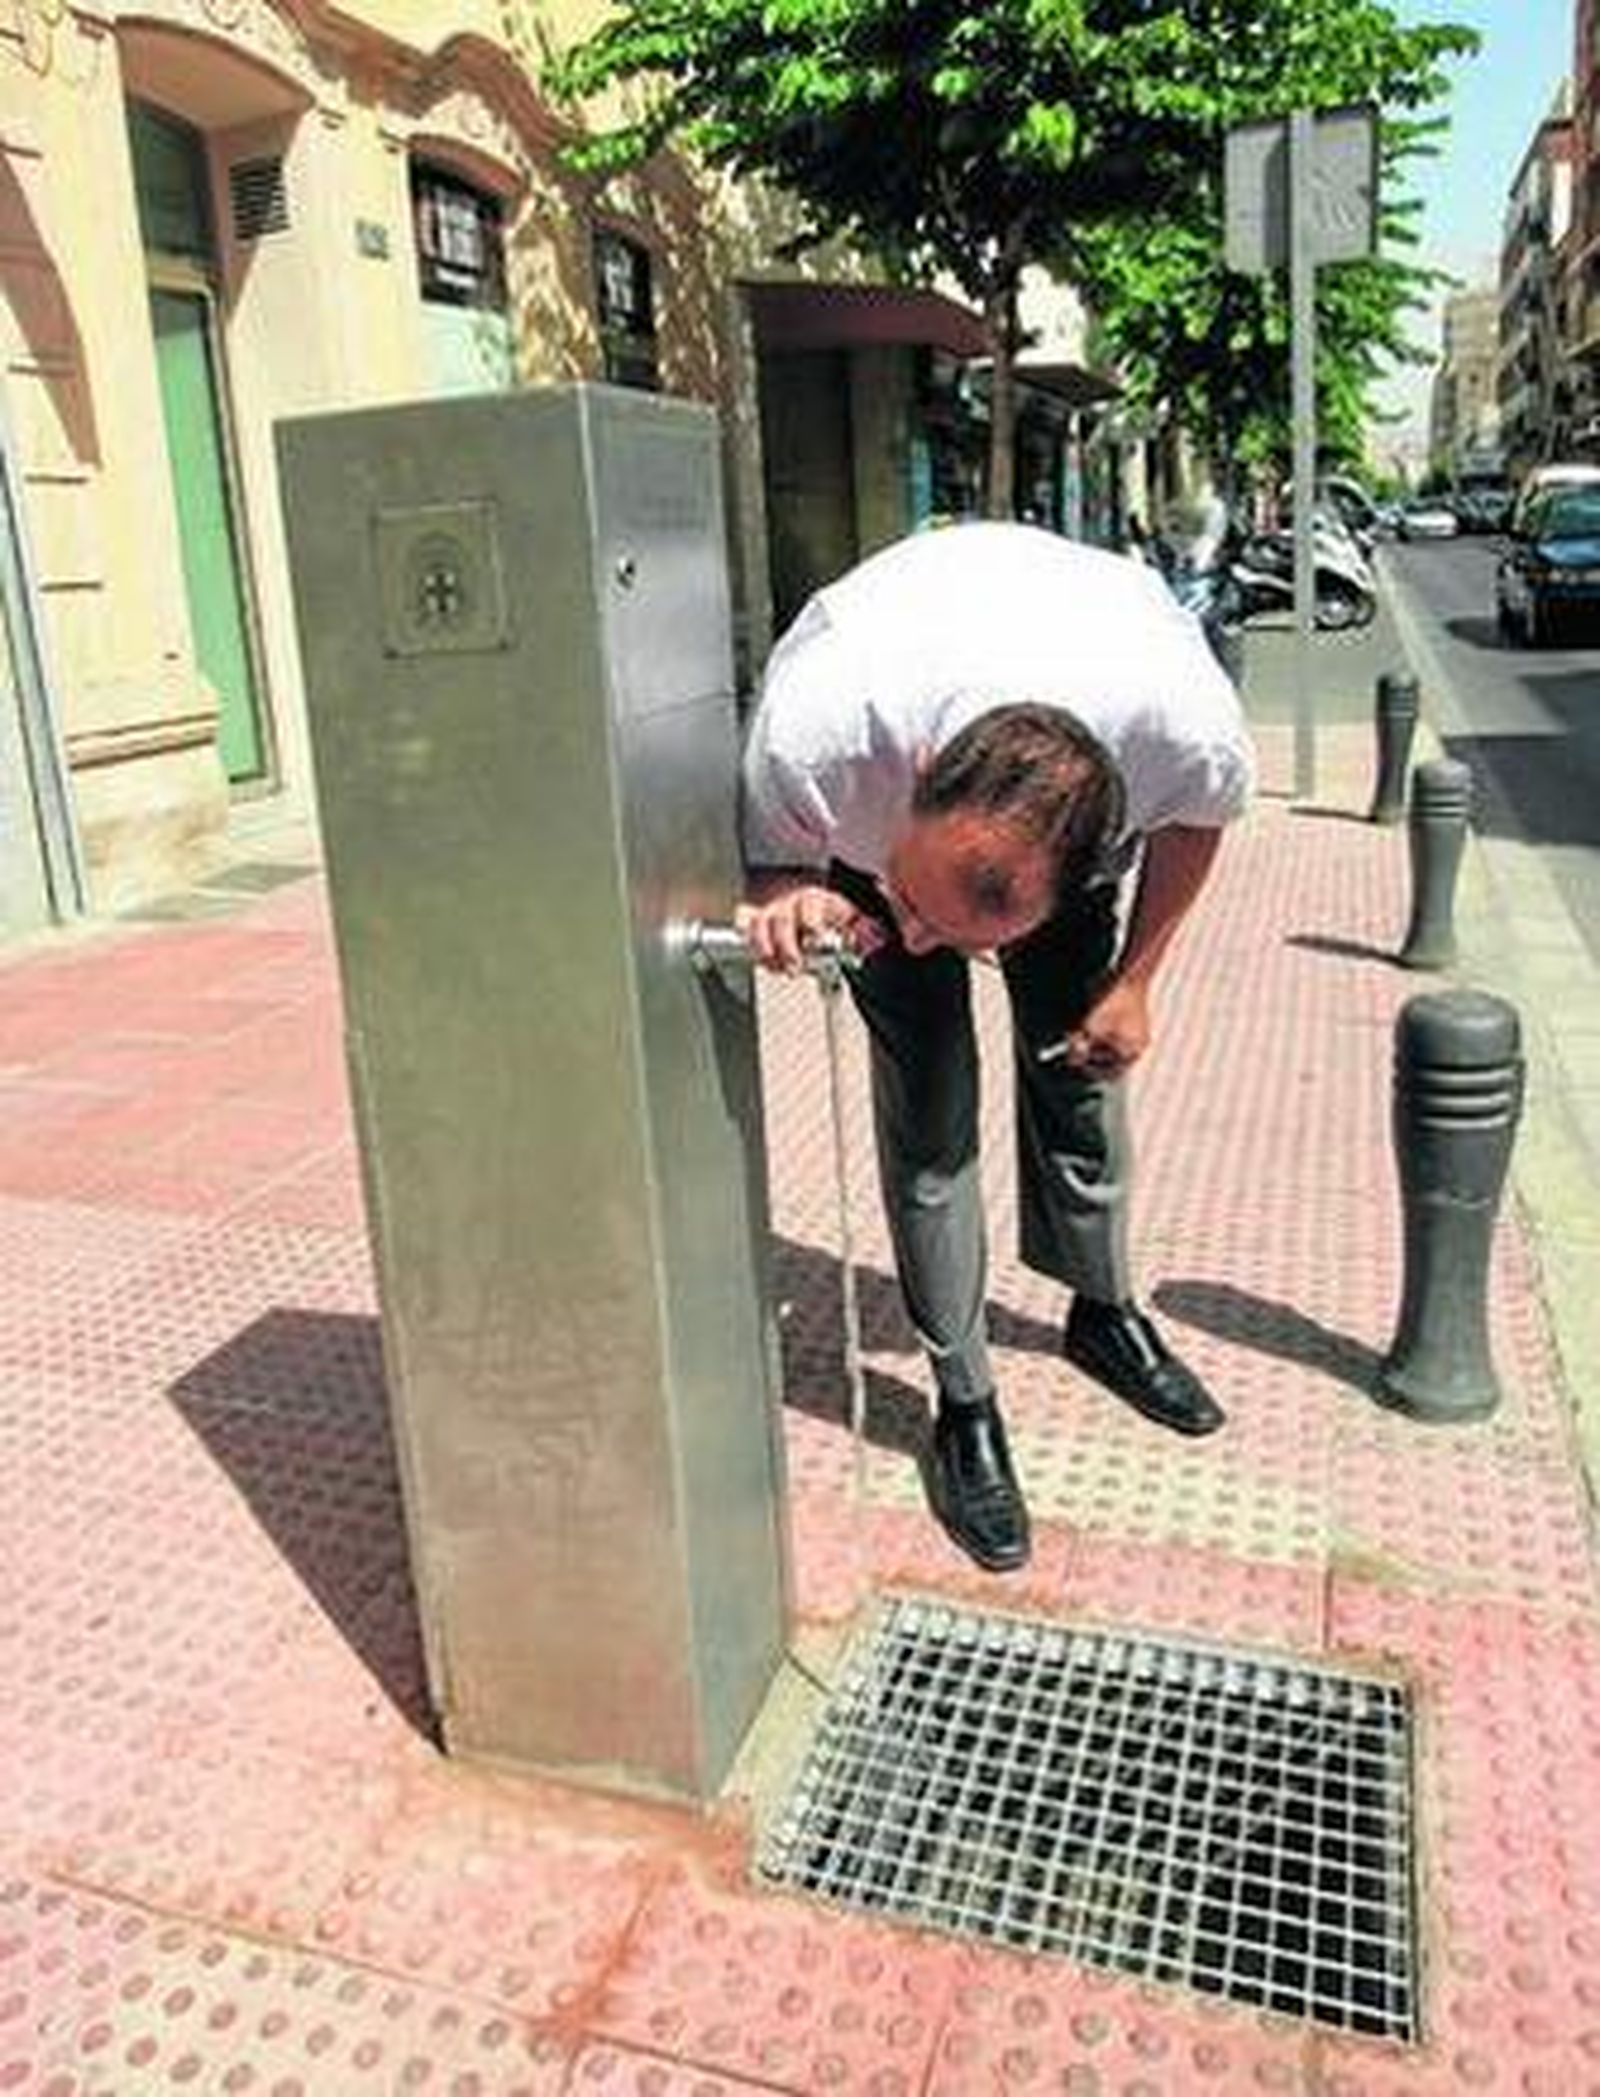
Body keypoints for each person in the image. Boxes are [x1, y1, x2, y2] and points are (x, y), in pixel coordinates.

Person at [736, 521, 1256, 1575]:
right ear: (917, 771)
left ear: (1086, 873)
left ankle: (1102, 1309)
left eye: (958, 933)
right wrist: (789, 899)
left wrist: (1135, 981)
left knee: (1082, 1066)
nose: (924, 942)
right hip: (868, 847)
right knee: (931, 1112)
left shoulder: (1178, 723)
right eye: (925, 909)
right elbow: (768, 866)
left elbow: (1198, 823)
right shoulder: (820, 724)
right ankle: (961, 1400)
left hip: (1039, 820)